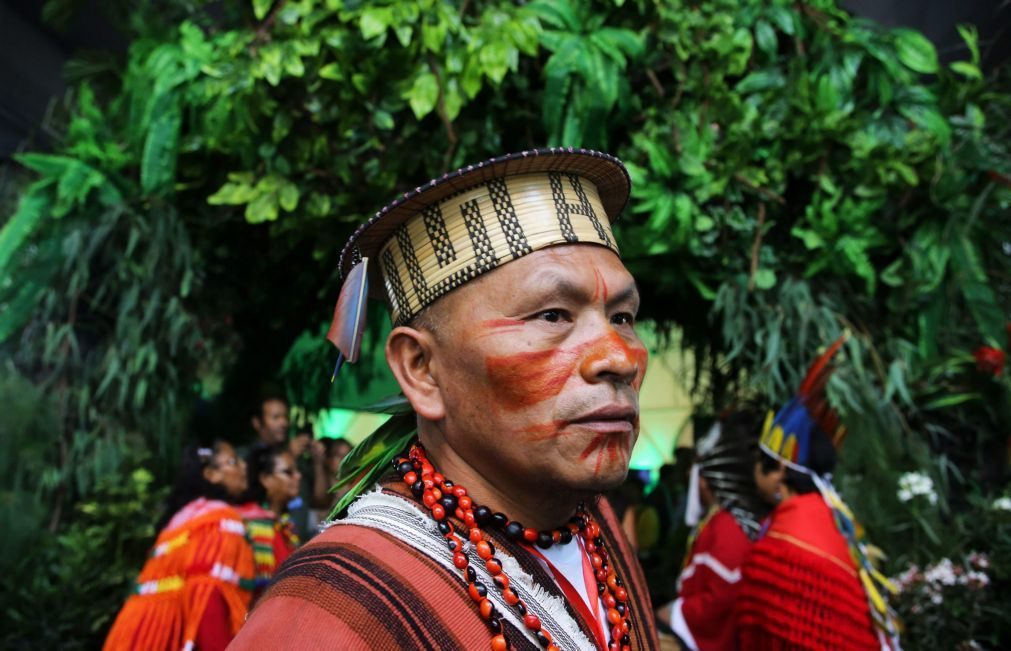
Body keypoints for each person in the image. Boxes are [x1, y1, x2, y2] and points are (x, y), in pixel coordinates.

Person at [231, 148, 659, 650]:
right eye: (552, 315)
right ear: (422, 369)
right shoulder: (333, 612)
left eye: (623, 318)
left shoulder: (595, 527)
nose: (619, 357)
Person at [735, 337, 900, 650]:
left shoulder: (785, 542)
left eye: (760, 462)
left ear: (780, 471)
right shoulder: (826, 516)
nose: (754, 471)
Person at [103, 441, 255, 651]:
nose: (243, 466)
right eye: (233, 461)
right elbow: (206, 594)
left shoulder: (180, 521)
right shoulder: (219, 521)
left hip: (137, 638)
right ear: (211, 475)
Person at [656, 410, 768, 651]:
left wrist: (677, 613)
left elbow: (723, 596)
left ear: (708, 481)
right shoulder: (721, 521)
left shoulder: (728, 526)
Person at [236, 445, 302, 599]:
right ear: (266, 479)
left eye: (297, 471)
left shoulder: (285, 525)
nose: (298, 476)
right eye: (288, 472)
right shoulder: (250, 523)